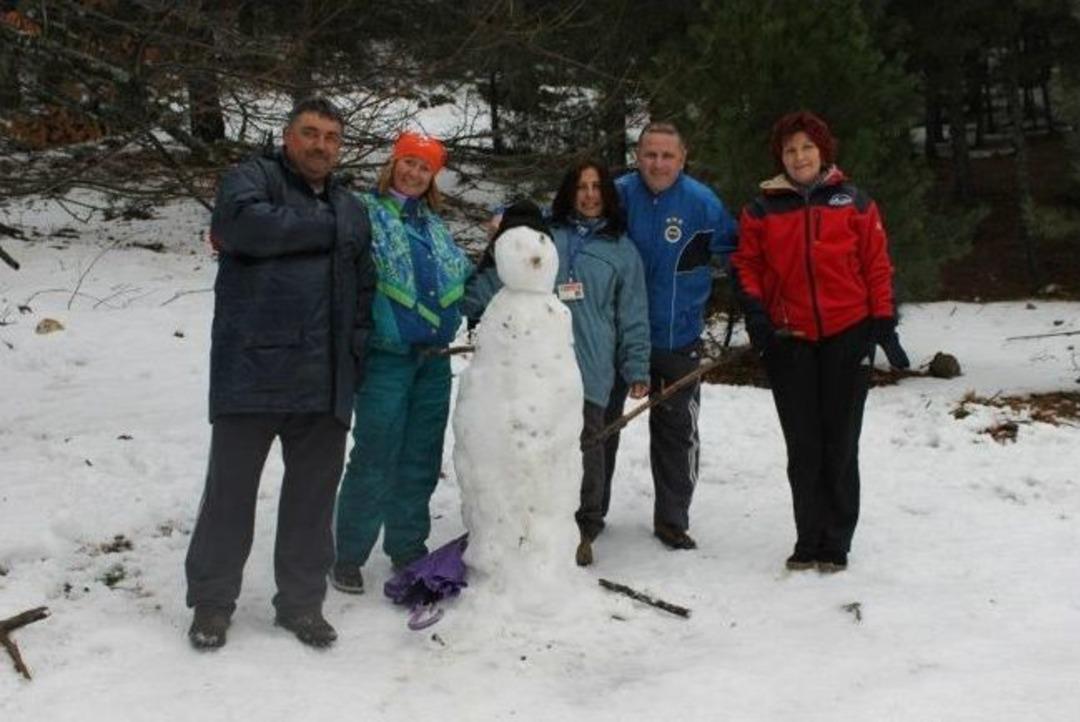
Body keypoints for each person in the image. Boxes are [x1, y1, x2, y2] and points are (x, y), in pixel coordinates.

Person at [185, 97, 375, 650]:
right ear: (288, 137)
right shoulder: (252, 178)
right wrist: (326, 223)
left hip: (326, 377)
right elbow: (244, 228)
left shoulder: (352, 206)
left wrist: (356, 350)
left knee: (312, 502)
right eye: (310, 133)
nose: (321, 145)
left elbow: (364, 284)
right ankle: (212, 604)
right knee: (230, 494)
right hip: (254, 368)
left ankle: (301, 604)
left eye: (331, 137)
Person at [730, 110, 909, 573]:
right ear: (780, 157)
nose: (799, 156)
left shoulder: (853, 201)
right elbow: (746, 265)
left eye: (807, 147)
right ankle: (808, 538)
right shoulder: (761, 208)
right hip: (790, 339)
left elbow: (876, 263)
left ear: (823, 151)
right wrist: (758, 318)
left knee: (840, 442)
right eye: (790, 149)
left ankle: (836, 541)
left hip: (848, 335)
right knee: (803, 445)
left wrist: (882, 321)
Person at [462, 161, 652, 567]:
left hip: (592, 366)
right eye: (581, 187)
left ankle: (585, 526)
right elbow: (499, 281)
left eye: (597, 187)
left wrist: (637, 366)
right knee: (536, 442)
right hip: (536, 366)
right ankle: (528, 520)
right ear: (569, 191)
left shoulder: (622, 250)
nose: (589, 195)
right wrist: (490, 260)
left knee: (588, 447)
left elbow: (632, 314)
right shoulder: (546, 237)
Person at [330, 131, 473, 595]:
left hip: (432, 362)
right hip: (387, 359)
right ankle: (349, 554)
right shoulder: (365, 213)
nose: (413, 173)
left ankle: (407, 545)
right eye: (408, 163)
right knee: (375, 453)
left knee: (420, 456)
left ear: (433, 176)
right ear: (393, 164)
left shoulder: (435, 226)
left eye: (424, 167)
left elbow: (465, 280)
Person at [610, 121, 738, 551]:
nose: (658, 163)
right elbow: (568, 226)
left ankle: (672, 519)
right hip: (617, 338)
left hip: (676, 337)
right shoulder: (618, 195)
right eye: (650, 154)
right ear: (637, 156)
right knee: (600, 428)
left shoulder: (702, 204)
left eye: (667, 155)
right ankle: (587, 516)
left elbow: (740, 252)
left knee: (677, 431)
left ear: (682, 159)